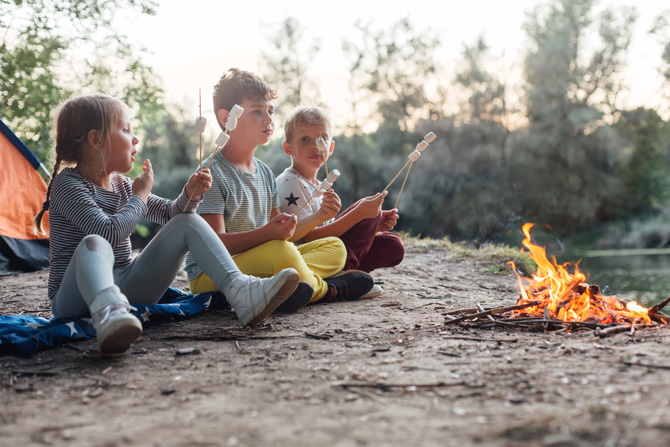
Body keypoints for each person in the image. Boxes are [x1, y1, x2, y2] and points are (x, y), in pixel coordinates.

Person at [34, 94, 300, 354]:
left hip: (127, 287)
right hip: (74, 298)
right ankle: (108, 314)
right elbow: (109, 232)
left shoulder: (122, 185)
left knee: (187, 220)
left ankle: (242, 292)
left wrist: (190, 195)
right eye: (126, 130)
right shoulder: (67, 185)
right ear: (96, 139)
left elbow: (172, 215)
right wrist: (140, 195)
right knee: (94, 242)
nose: (136, 138)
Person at [184, 69, 373, 307]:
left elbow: (283, 232)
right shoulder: (212, 174)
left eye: (270, 112)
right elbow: (216, 244)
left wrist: (316, 217)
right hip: (213, 273)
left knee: (334, 247)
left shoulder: (263, 172)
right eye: (256, 111)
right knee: (282, 253)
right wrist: (269, 235)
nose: (268, 120)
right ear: (226, 118)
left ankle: (283, 287)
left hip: (258, 260)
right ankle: (327, 290)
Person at [276, 106, 405, 297]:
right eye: (305, 139)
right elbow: (307, 238)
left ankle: (349, 276)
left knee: (392, 245)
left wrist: (371, 224)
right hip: (311, 258)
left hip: (331, 250)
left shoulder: (320, 185)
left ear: (331, 147)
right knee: (366, 210)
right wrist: (358, 215)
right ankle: (345, 280)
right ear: (288, 148)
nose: (315, 146)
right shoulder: (291, 183)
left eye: (322, 139)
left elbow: (332, 230)